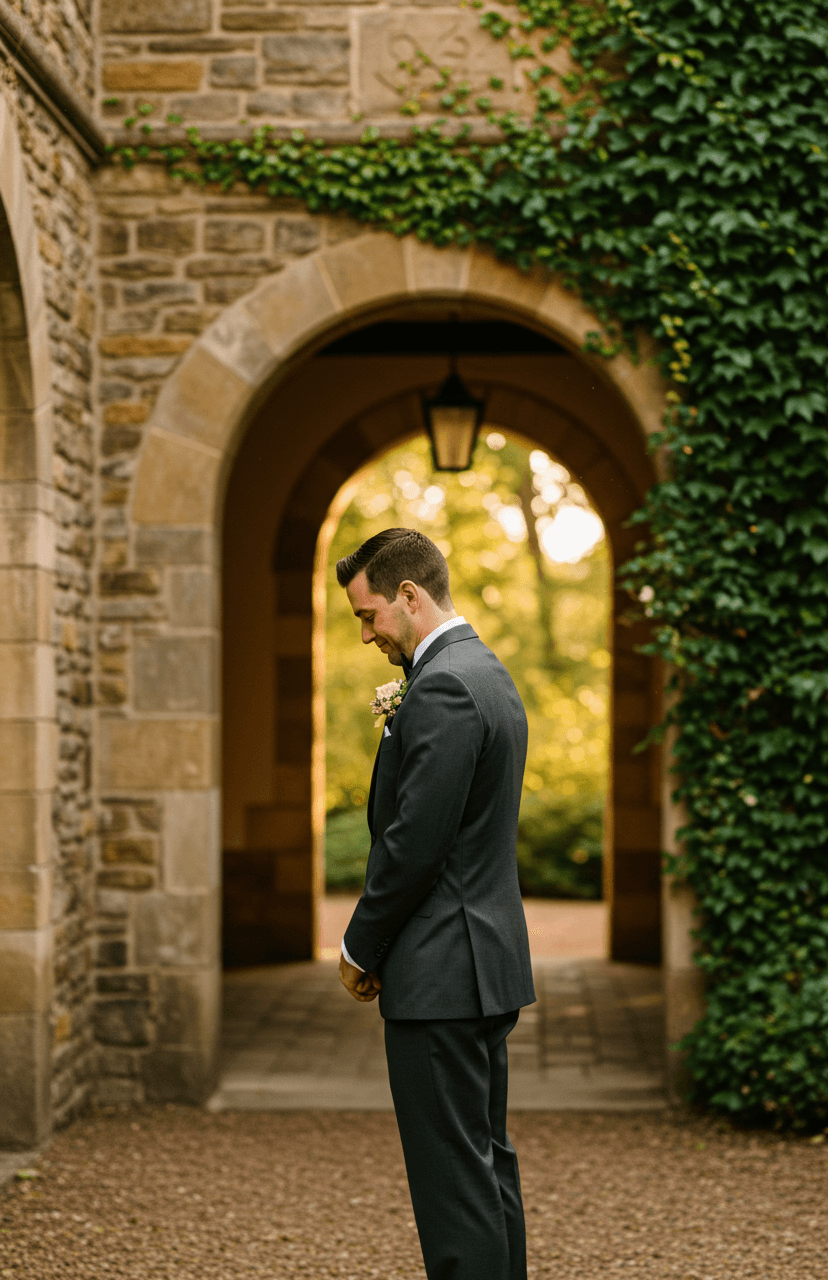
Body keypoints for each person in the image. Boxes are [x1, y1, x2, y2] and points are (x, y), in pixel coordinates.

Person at [335, 527, 535, 1280]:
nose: (366, 635)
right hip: (481, 963)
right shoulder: (487, 672)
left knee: (453, 1186)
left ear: (410, 597)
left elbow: (414, 845)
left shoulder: (446, 685)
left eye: (369, 615)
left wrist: (360, 946)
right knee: (483, 1166)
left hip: (441, 974)